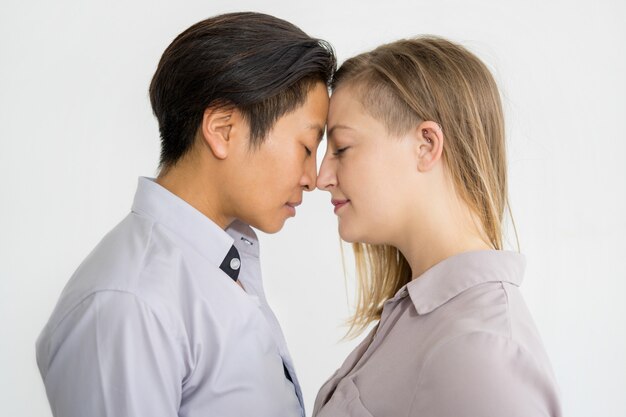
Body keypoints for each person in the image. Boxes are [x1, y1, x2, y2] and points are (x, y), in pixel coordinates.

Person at [36, 12, 335, 417]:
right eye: (306, 146)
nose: (313, 178)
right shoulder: (129, 303)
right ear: (223, 129)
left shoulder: (219, 262)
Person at [313, 36, 561, 416]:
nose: (322, 177)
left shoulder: (481, 351)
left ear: (426, 145)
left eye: (342, 148)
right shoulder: (418, 319)